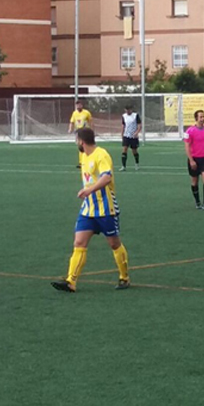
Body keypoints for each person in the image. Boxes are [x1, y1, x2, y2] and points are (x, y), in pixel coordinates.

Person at [52, 127, 130, 292]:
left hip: (106, 208)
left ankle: (124, 277)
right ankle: (71, 281)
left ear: (81, 140)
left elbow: (106, 177)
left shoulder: (101, 154)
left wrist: (89, 190)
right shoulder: (83, 156)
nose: (76, 144)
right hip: (88, 209)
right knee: (79, 242)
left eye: (76, 140)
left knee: (114, 244)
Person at [184, 110, 204, 210]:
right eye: (200, 117)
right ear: (196, 118)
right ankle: (197, 202)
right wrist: (191, 160)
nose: (202, 119)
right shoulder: (189, 131)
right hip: (194, 159)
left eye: (203, 117)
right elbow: (187, 146)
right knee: (195, 181)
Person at [68, 100, 93, 169]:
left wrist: (91, 130)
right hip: (78, 131)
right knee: (80, 147)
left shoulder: (86, 113)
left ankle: (86, 161)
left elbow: (90, 121)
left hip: (85, 131)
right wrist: (70, 129)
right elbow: (72, 122)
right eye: (77, 105)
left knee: (86, 146)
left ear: (82, 105)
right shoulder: (74, 113)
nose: (78, 106)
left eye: (79, 105)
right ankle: (81, 162)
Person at [120, 105, 142, 171]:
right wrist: (122, 133)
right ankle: (123, 166)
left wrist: (137, 132)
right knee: (124, 149)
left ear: (131, 109)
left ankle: (137, 164)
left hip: (133, 136)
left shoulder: (135, 115)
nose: (127, 111)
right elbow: (123, 125)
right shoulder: (124, 116)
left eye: (129, 110)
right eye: (126, 110)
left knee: (134, 151)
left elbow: (139, 125)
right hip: (126, 136)